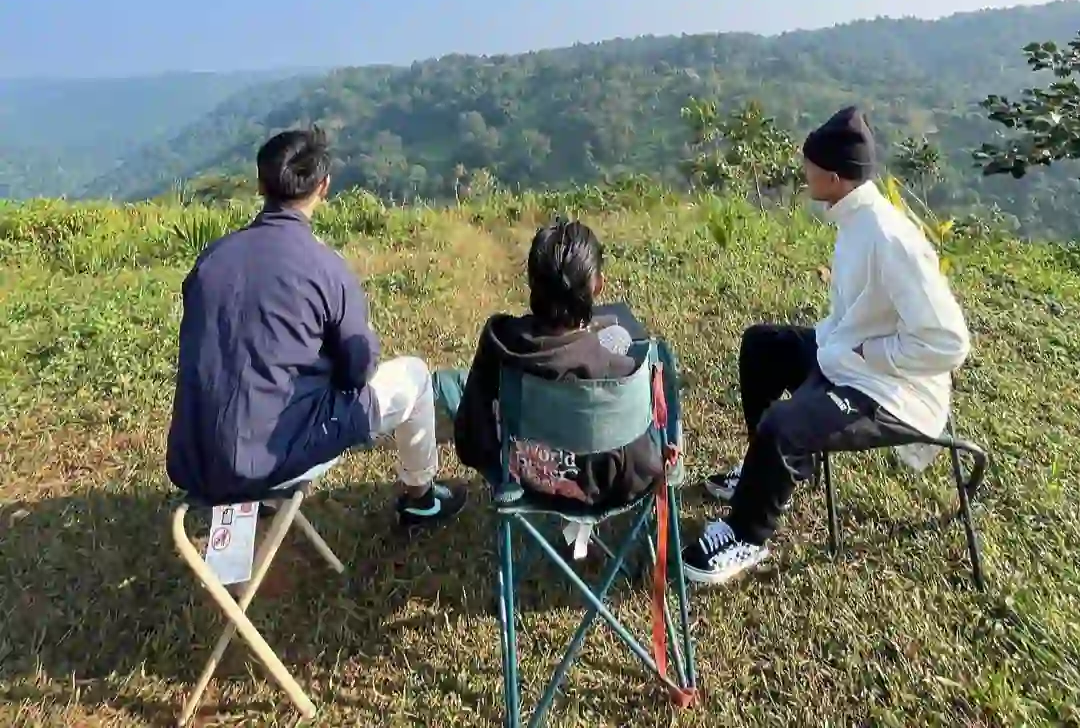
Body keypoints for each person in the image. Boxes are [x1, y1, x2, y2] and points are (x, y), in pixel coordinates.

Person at [683, 106, 971, 585]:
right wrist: (844, 346)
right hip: (849, 357)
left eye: (810, 165)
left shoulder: (890, 237)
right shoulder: (854, 218)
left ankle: (746, 535)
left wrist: (869, 356)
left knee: (784, 423)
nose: (803, 171)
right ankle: (766, 473)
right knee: (762, 346)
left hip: (890, 389)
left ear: (834, 177)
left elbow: (948, 342)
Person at [166, 127, 466, 527]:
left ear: (260, 183)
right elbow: (359, 369)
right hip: (269, 460)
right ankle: (421, 498)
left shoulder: (212, 260)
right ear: (323, 187)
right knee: (413, 374)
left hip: (194, 460)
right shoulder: (324, 266)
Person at [453, 219, 662, 513]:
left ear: (532, 283)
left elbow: (471, 430)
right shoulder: (617, 371)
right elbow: (644, 468)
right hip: (596, 488)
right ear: (598, 285)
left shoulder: (499, 341)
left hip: (518, 477)